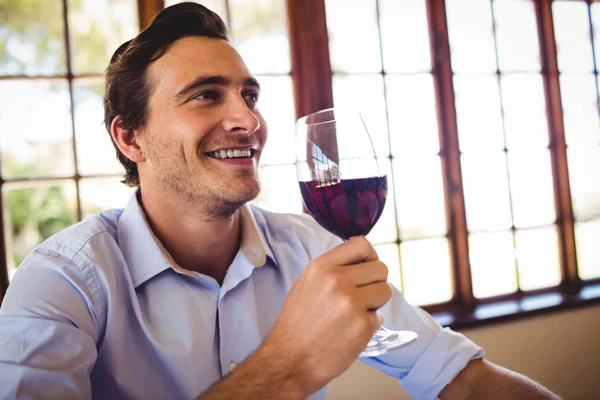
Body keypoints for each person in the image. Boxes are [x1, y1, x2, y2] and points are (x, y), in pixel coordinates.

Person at [0, 3, 560, 400]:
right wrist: (285, 368)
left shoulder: (312, 250)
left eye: (248, 95)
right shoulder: (61, 284)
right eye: (205, 96)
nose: (248, 119)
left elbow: (459, 379)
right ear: (130, 138)